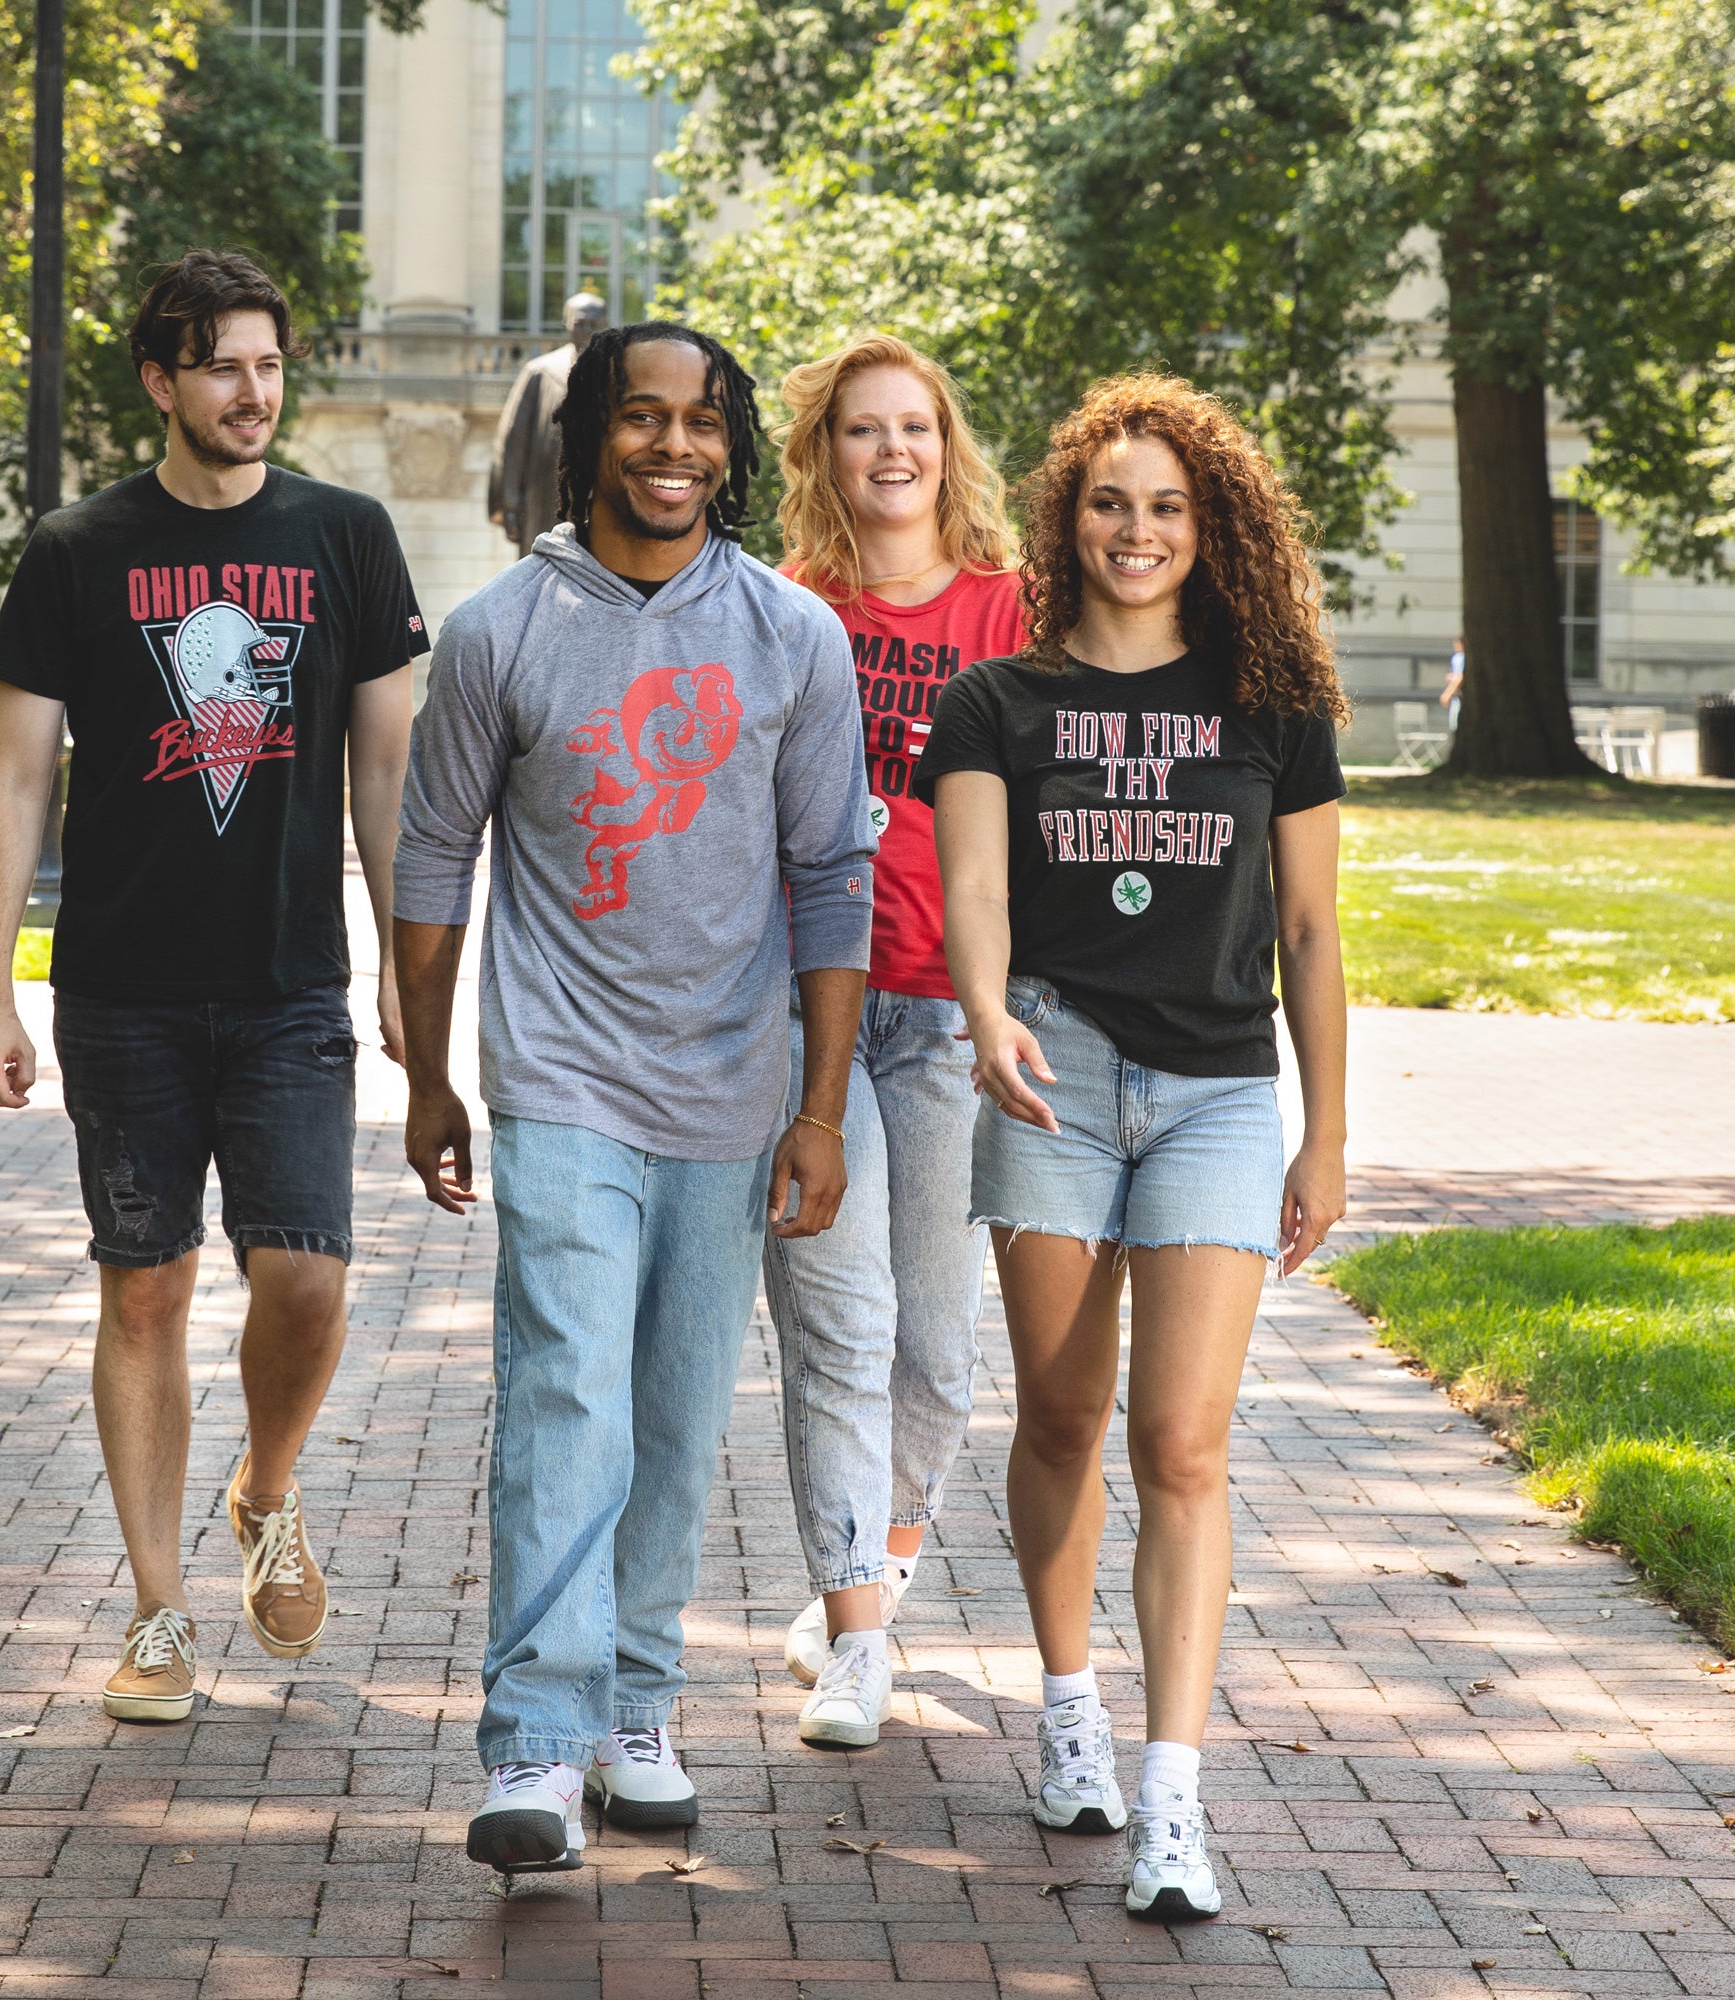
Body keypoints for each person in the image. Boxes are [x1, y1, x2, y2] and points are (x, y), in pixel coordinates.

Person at [394, 321, 873, 1875]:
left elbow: (829, 876)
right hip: (563, 1079)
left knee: (672, 1417)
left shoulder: (794, 636)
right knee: (565, 1394)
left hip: (734, 1092)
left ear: (731, 448)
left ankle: (638, 1712)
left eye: (704, 424)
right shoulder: (500, 632)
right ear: (593, 436)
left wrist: (817, 1105)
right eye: (643, 419)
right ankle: (536, 1740)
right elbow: (428, 865)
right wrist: (427, 1074)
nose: (675, 447)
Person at [0, 249, 428, 1723]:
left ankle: (264, 1488)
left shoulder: (346, 536)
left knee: (305, 1280)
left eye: (269, 365)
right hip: (123, 988)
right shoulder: (79, 549)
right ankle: (158, 1612)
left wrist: (414, 972)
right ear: (161, 382)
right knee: (144, 1289)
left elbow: (391, 768)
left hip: (292, 985)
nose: (252, 391)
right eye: (221, 365)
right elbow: (18, 771)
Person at [914, 375, 1349, 1922]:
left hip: (1221, 1093)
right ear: (1069, 519)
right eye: (1112, 503)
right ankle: (1069, 1702)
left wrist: (1327, 1136)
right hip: (1056, 1071)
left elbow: (1308, 928)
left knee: (1182, 1440)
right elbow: (971, 891)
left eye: (1168, 505)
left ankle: (1174, 1795)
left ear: (1207, 523)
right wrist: (983, 1013)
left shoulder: (1272, 706)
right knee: (1060, 1414)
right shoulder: (997, 705)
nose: (1139, 530)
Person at [765, 334, 1023, 1749]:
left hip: (950, 1015)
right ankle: (858, 1638)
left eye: (915, 425)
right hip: (811, 1015)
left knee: (936, 1354)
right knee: (838, 1328)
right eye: (862, 430)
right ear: (826, 455)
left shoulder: (1010, 612)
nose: (893, 451)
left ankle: (874, 1572)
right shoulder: (790, 609)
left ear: (946, 442)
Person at [487, 291, 608, 554]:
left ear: (604, 326)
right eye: (580, 324)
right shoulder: (540, 373)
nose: (586, 332)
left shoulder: (618, 376)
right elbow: (513, 440)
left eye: (593, 325)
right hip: (543, 495)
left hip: (600, 502)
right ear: (566, 323)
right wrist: (509, 503)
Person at [1440, 634, 1465, 730]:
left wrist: (1447, 694)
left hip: (1459, 696)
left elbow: (1460, 677)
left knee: (1456, 726)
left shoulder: (1460, 658)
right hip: (1457, 696)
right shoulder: (1458, 658)